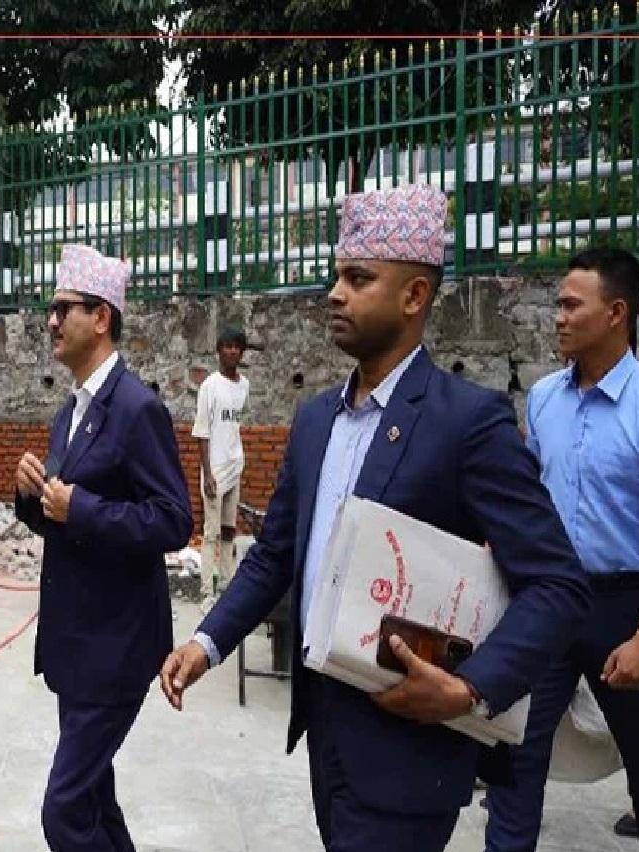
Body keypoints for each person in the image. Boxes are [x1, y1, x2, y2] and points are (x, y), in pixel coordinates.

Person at [157, 184, 592, 852]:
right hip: (326, 737)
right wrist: (207, 642)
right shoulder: (315, 421)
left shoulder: (466, 423)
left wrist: (470, 688)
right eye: (337, 276)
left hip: (409, 755)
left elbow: (558, 583)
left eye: (358, 279)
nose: (335, 294)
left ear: (414, 296)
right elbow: (275, 555)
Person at [14, 243, 193, 852]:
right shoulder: (71, 411)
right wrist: (31, 495)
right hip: (76, 643)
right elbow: (60, 520)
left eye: (63, 308)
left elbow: (173, 521)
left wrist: (81, 506)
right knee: (92, 799)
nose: (51, 320)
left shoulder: (137, 408)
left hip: (116, 647)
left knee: (64, 812)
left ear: (101, 317)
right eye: (52, 308)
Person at [483, 247, 639, 852]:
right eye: (557, 304)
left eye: (569, 305)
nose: (557, 316)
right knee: (515, 752)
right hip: (551, 598)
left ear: (616, 313)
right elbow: (527, 498)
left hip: (629, 607)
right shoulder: (544, 399)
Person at [192, 326, 252, 609]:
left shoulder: (244, 385)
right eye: (227, 346)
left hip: (234, 465)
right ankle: (207, 592)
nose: (232, 351)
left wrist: (237, 460)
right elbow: (202, 432)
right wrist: (207, 474)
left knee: (229, 530)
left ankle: (227, 586)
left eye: (236, 347)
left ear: (242, 352)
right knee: (211, 533)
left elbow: (235, 424)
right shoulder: (210, 386)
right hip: (214, 470)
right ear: (219, 350)